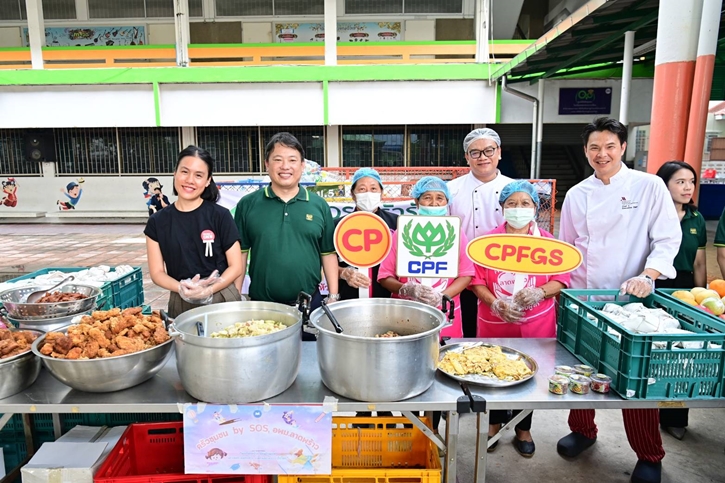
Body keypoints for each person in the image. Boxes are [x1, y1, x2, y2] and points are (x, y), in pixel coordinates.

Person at [558, 117, 681, 483]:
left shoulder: (649, 186)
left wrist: (649, 275)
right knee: (580, 367)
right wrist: (562, 290)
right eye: (594, 147)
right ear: (586, 151)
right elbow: (567, 249)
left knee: (634, 376)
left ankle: (649, 454)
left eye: (610, 146)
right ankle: (583, 430)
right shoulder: (578, 194)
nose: (602, 154)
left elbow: (666, 239)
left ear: (623, 148)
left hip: (632, 299)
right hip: (584, 296)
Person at [470, 180, 570, 458]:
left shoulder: (548, 243)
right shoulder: (485, 244)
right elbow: (475, 280)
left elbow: (561, 280)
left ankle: (523, 428)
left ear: (535, 209)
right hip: (494, 322)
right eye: (511, 204)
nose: (518, 209)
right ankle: (493, 424)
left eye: (525, 203)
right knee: (492, 372)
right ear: (501, 208)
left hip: (536, 323)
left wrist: (540, 291)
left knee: (530, 375)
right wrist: (496, 302)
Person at [233, 132, 339, 336]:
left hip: (310, 305)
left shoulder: (319, 205)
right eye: (278, 160)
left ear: (302, 166)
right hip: (261, 308)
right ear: (267, 164)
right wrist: (236, 297)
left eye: (292, 160)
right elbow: (241, 253)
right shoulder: (248, 204)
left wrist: (333, 295)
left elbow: (328, 253)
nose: (285, 166)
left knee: (309, 361)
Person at [145, 146, 243, 318]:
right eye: (185, 172)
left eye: (198, 175)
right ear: (175, 173)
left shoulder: (220, 216)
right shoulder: (157, 222)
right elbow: (157, 272)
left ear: (207, 181)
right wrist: (182, 288)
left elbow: (236, 266)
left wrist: (210, 289)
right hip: (181, 300)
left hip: (221, 296)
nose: (190, 180)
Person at [378, 176, 475, 339]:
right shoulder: (402, 233)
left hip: (446, 314)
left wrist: (442, 297)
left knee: (445, 358)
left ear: (447, 202)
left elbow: (466, 274)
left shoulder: (457, 233)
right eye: (427, 198)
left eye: (440, 198)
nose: (434, 203)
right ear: (417, 202)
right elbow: (384, 276)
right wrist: (408, 289)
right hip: (405, 313)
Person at [655, 161, 707, 440]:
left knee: (683, 355)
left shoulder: (696, 219)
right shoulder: (650, 214)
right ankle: (648, 412)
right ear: (663, 185)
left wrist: (702, 302)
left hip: (685, 290)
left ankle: (675, 415)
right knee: (656, 354)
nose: (687, 187)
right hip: (655, 286)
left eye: (691, 181)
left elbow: (699, 264)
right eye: (680, 182)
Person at [447, 128, 514, 337]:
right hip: (463, 274)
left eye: (489, 150)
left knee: (499, 329)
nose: (483, 157)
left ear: (499, 152)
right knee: (465, 326)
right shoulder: (451, 189)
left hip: (503, 273)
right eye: (475, 152)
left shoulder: (514, 188)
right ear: (467, 157)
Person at [336, 168, 398, 300]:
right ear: (353, 194)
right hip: (349, 298)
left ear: (381, 193)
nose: (368, 193)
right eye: (362, 189)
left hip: (387, 299)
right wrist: (343, 273)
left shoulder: (396, 222)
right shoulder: (338, 225)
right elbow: (326, 263)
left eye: (374, 189)